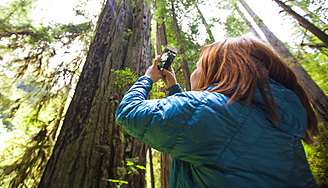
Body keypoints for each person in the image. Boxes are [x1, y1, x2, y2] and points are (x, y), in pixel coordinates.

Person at [115, 37, 319, 188]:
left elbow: (128, 112)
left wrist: (147, 78)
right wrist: (174, 90)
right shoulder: (272, 114)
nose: (194, 73)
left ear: (215, 72)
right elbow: (201, 124)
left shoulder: (210, 109)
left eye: (197, 67)